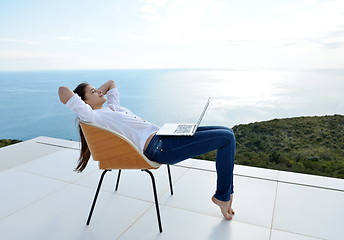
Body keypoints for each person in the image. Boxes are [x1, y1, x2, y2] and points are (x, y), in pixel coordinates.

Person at [58, 80, 236, 220]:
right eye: (92, 92)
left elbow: (111, 82)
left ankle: (225, 193)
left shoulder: (112, 107)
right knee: (227, 139)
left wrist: (96, 92)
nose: (98, 91)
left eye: (97, 89)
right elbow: (63, 90)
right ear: (83, 103)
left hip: (164, 135)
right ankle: (223, 195)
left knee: (227, 131)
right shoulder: (93, 117)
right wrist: (83, 102)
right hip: (160, 148)